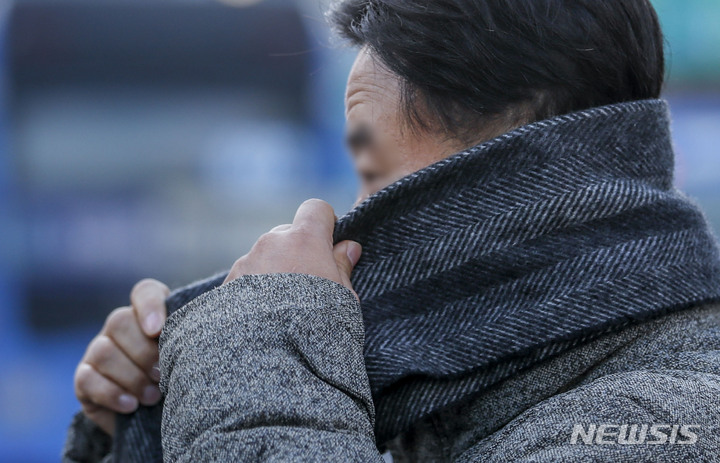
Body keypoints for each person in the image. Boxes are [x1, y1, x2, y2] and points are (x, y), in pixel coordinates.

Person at [64, 0, 720, 461]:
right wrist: (157, 412)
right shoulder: (437, 409)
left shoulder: (671, 423)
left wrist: (258, 345)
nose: (349, 223)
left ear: (504, 180)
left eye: (374, 176)